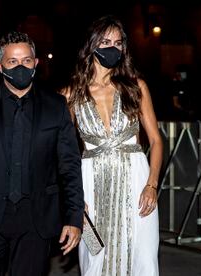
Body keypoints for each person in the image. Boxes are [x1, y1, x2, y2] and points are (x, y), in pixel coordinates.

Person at [0, 31, 84, 275]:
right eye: (12, 61)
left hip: (37, 219)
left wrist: (74, 218)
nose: (20, 66)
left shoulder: (56, 106)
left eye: (26, 60)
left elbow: (70, 166)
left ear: (36, 63)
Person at [62, 15, 163, 275]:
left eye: (118, 43)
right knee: (95, 257)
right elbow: (61, 151)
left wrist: (152, 185)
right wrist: (72, 196)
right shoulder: (71, 93)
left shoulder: (136, 87)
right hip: (91, 184)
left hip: (137, 180)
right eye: (105, 41)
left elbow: (155, 140)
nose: (112, 48)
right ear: (92, 45)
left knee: (143, 256)